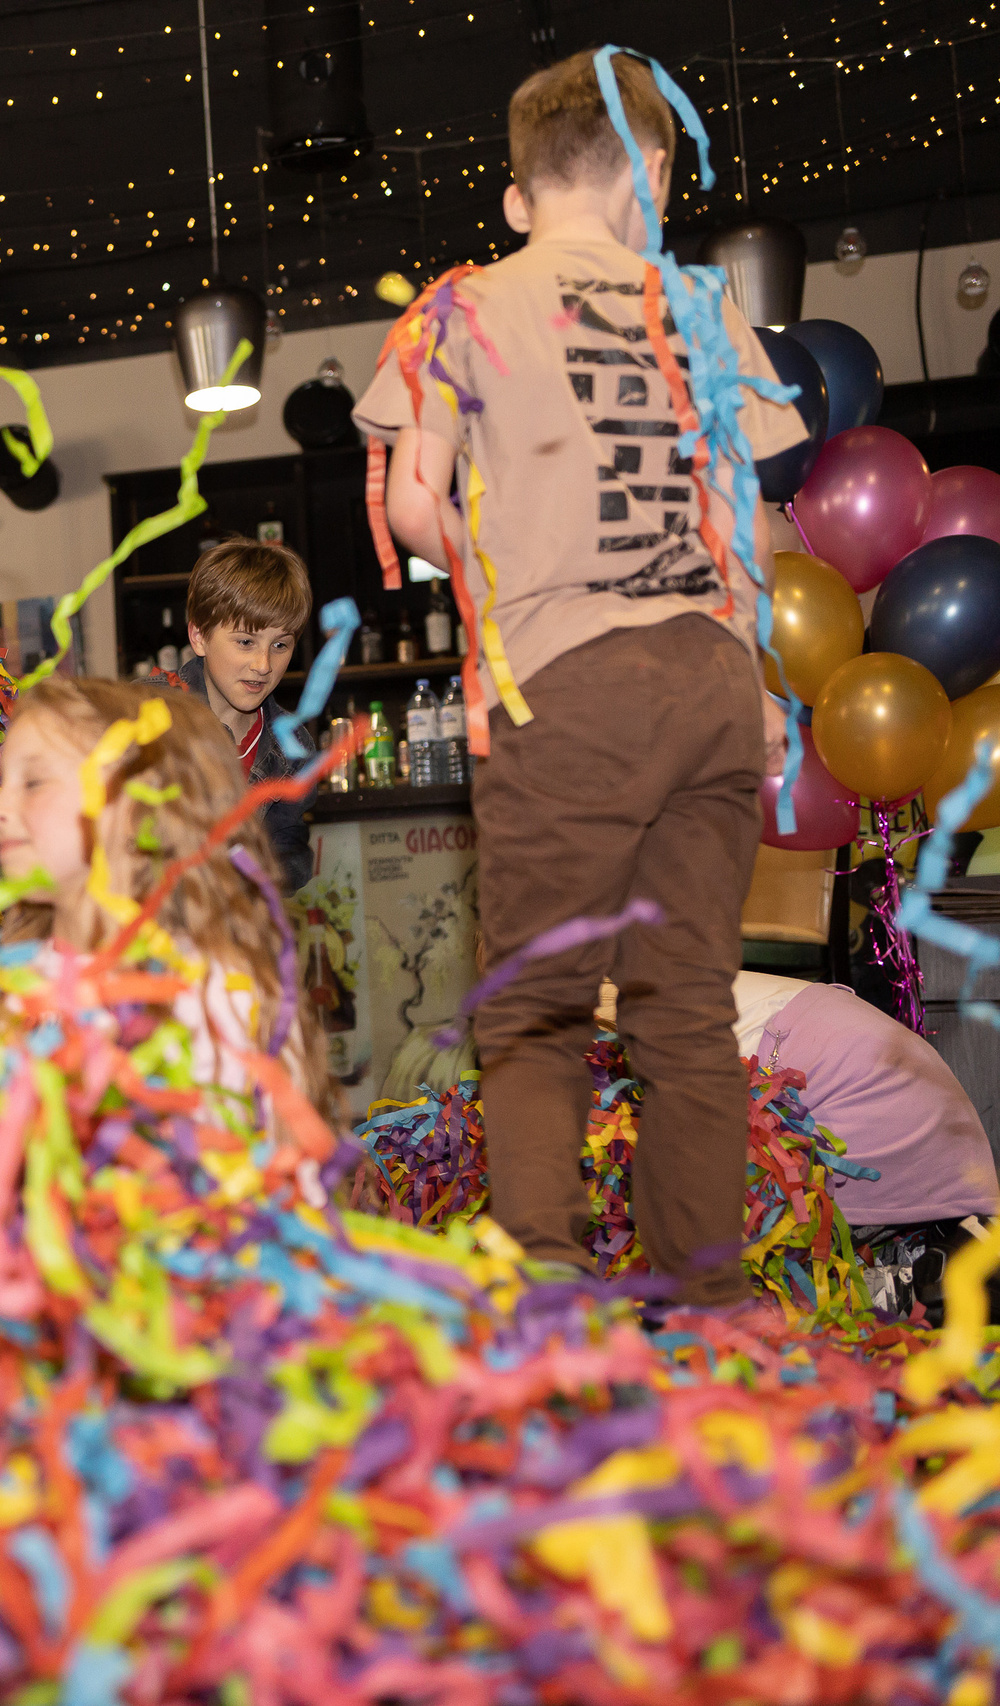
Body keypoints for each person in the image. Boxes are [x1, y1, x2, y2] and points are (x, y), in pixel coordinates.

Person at [354, 49, 805, 1307]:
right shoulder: (703, 306)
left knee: (536, 1008)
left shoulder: (461, 307)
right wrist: (751, 678)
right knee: (687, 1009)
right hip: (710, 681)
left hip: (568, 680)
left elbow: (413, 503)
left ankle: (552, 1296)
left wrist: (502, 569)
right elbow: (750, 526)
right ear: (650, 173)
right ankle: (708, 1304)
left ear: (515, 197)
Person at [0, 674, 332, 1121]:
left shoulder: (216, 1000)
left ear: (135, 805)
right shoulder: (15, 982)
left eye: (33, 782)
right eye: (3, 782)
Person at [732, 970, 1000, 1320]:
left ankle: (897, 1291)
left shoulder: (671, 1012)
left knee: (744, 1278)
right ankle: (935, 1257)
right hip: (940, 1139)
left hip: (863, 1115)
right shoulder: (701, 982)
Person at [169, 537, 316, 894]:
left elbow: (290, 857)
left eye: (280, 645)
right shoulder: (145, 713)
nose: (263, 665)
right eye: (246, 642)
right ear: (199, 636)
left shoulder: (294, 749)